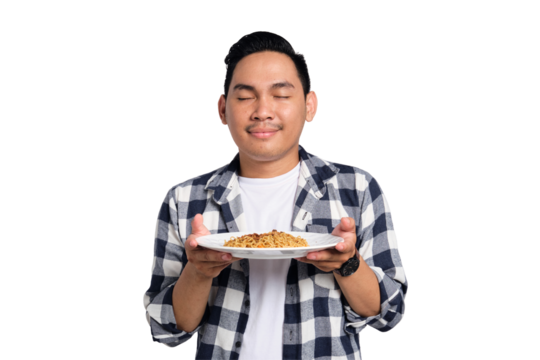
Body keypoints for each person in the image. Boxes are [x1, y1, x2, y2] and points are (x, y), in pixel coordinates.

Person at [143, 30, 408, 359]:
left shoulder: (356, 187)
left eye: (281, 95)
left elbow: (389, 314)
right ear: (222, 109)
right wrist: (199, 271)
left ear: (310, 106)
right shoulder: (184, 199)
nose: (262, 111)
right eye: (244, 97)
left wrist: (347, 262)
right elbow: (166, 330)